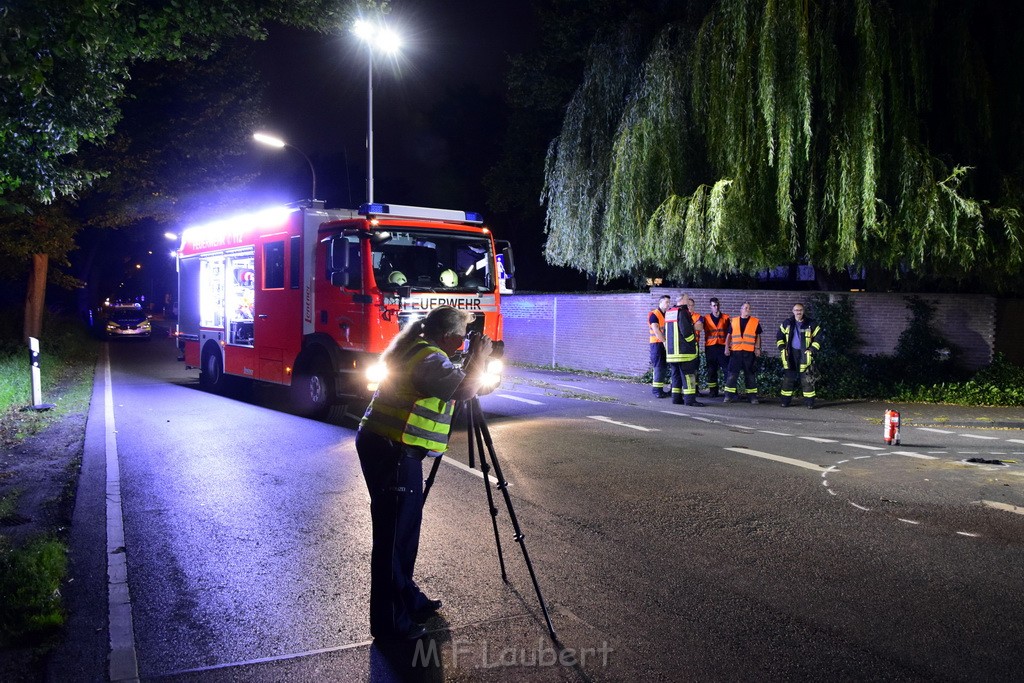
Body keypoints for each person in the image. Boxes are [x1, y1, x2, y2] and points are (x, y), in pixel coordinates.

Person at [356, 306, 493, 641]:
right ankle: (391, 624)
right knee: (393, 538)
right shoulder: (427, 359)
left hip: (395, 449)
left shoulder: (427, 353)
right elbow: (463, 390)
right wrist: (480, 356)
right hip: (394, 450)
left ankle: (407, 598)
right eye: (462, 337)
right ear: (448, 337)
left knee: (404, 533)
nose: (464, 342)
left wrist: (477, 362)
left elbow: (470, 386)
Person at [777, 302, 822, 408]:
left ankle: (809, 403)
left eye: (800, 310)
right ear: (793, 311)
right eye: (796, 310)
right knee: (788, 379)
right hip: (790, 354)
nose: (798, 312)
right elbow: (779, 336)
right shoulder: (787, 323)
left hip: (805, 354)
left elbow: (819, 337)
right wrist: (782, 348)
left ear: (803, 311)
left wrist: (812, 349)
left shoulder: (811, 323)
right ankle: (785, 402)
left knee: (806, 379)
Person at [665, 294, 704, 406]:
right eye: (687, 298)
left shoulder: (670, 312)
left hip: (672, 353)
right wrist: (693, 342)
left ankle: (676, 399)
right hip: (684, 352)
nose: (688, 300)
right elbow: (686, 331)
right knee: (688, 376)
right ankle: (690, 400)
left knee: (676, 376)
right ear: (682, 300)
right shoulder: (682, 312)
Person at [723, 301, 762, 404]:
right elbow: (729, 336)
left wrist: (757, 348)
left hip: (749, 353)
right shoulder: (734, 321)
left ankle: (752, 397)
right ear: (741, 310)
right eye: (745, 308)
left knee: (750, 375)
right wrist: (726, 347)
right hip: (736, 352)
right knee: (732, 375)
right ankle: (728, 396)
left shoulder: (755, 321)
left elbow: (758, 336)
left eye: (749, 308)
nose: (747, 310)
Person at [701, 297, 730, 398]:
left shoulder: (726, 317)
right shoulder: (705, 318)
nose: (716, 307)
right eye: (714, 306)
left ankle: (729, 391)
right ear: (710, 307)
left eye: (717, 305)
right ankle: (713, 391)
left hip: (722, 346)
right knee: (711, 370)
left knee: (726, 369)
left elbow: (729, 333)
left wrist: (727, 346)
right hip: (710, 347)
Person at [648, 295, 671, 397]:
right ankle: (657, 391)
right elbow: (656, 331)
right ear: (660, 303)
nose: (668, 304)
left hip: (663, 343)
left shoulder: (666, 314)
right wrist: (665, 342)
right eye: (666, 302)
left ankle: (659, 390)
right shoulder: (654, 315)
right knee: (659, 367)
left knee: (663, 367)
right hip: (657, 344)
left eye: (669, 302)